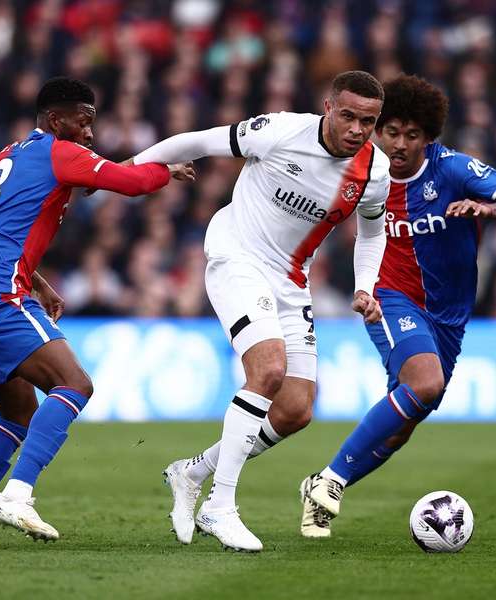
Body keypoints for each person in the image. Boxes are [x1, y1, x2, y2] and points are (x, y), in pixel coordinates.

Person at [132, 71, 392, 552]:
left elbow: (373, 232)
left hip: (292, 283)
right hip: (238, 256)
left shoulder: (374, 171)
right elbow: (197, 140)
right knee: (268, 369)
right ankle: (219, 507)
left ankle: (193, 473)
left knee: (295, 410)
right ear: (329, 107)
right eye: (350, 116)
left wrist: (363, 287)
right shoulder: (280, 131)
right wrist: (130, 169)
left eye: (369, 122)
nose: (358, 129)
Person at [0, 77, 194, 548]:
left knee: (19, 412)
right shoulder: (60, 152)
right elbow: (130, 184)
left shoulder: (10, 155)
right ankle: (17, 495)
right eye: (84, 120)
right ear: (57, 120)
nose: (91, 131)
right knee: (75, 384)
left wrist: (39, 281)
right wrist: (166, 169)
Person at [298, 74, 496, 537]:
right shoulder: (360, 172)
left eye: (413, 135)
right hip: (389, 297)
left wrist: (488, 209)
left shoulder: (454, 171)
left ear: (429, 136)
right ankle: (329, 483)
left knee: (401, 427)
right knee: (424, 382)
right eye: (392, 132)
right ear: (378, 131)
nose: (400, 144)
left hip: (449, 317)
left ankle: (325, 482)